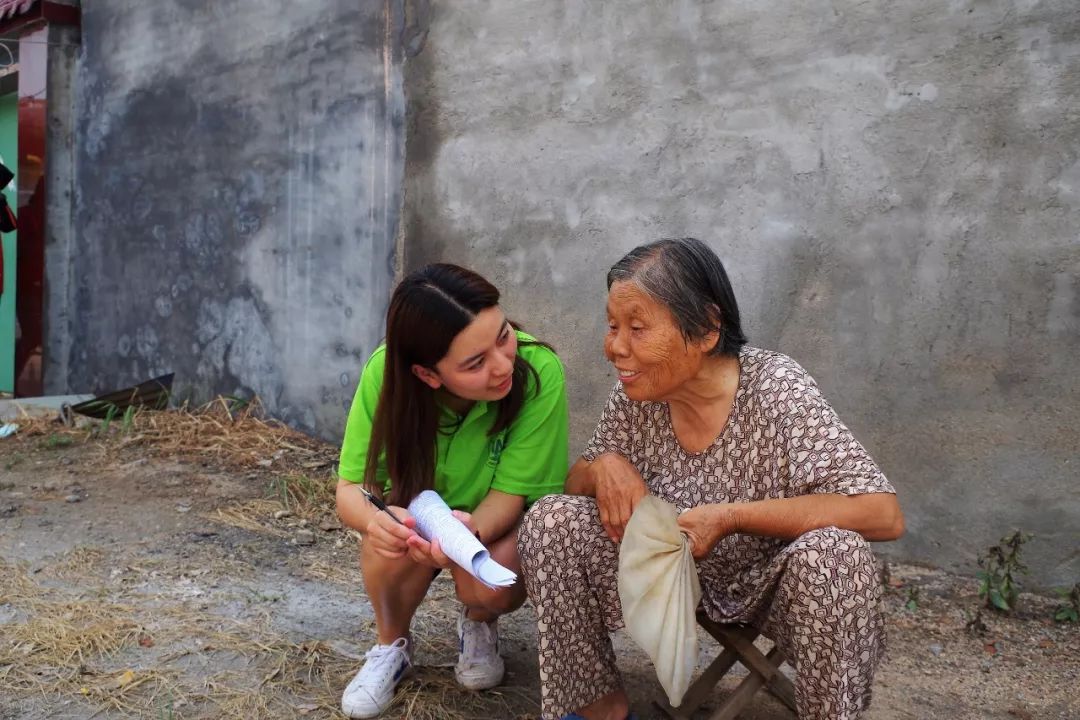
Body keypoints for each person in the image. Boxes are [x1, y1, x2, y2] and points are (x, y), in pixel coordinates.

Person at [518, 238, 904, 720]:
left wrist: (731, 517)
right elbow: (575, 485)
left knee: (838, 554)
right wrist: (605, 467)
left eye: (637, 328)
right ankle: (597, 709)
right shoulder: (636, 395)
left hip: (768, 585)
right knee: (551, 521)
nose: (615, 347)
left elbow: (881, 512)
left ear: (706, 329)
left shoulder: (775, 387)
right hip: (667, 576)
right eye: (613, 325)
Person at [336, 263, 569, 719]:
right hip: (418, 520)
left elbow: (512, 494)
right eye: (475, 363)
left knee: (492, 580)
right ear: (427, 375)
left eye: (503, 336)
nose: (504, 365)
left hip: (487, 522)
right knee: (385, 539)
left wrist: (468, 532)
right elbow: (352, 489)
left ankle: (479, 620)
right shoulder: (385, 375)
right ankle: (392, 646)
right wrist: (377, 520)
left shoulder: (538, 369)